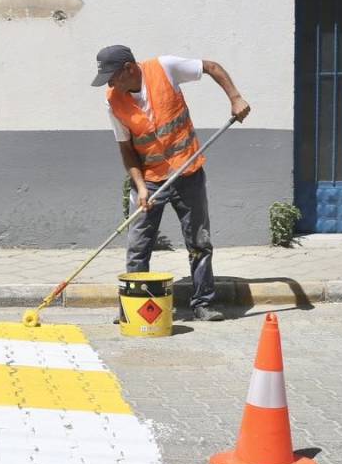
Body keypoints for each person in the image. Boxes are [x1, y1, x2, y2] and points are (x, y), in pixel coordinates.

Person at [92, 45, 251, 322]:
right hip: (150, 180)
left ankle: (203, 302)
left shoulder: (164, 67)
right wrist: (140, 187)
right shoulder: (112, 101)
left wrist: (236, 98)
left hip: (187, 171)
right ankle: (132, 307)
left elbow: (211, 66)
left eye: (112, 76)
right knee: (138, 244)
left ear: (129, 68)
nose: (109, 83)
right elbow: (127, 149)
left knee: (199, 241)